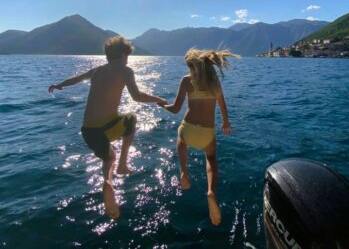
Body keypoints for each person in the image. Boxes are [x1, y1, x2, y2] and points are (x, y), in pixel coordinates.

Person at [48, 36, 167, 219]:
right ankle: (123, 165)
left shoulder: (96, 70)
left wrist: (59, 85)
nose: (127, 59)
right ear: (122, 55)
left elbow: (76, 79)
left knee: (108, 156)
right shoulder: (126, 70)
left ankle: (108, 181)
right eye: (127, 56)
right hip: (107, 126)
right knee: (131, 118)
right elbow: (136, 96)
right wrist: (158, 99)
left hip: (88, 130)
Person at [159, 48, 239, 226]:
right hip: (207, 133)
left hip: (188, 128)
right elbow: (223, 106)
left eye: (189, 66)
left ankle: (183, 172)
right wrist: (226, 122)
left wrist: (162, 104)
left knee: (181, 139)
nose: (188, 70)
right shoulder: (214, 82)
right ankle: (211, 191)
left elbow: (176, 109)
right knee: (211, 159)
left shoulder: (186, 81)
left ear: (193, 67)